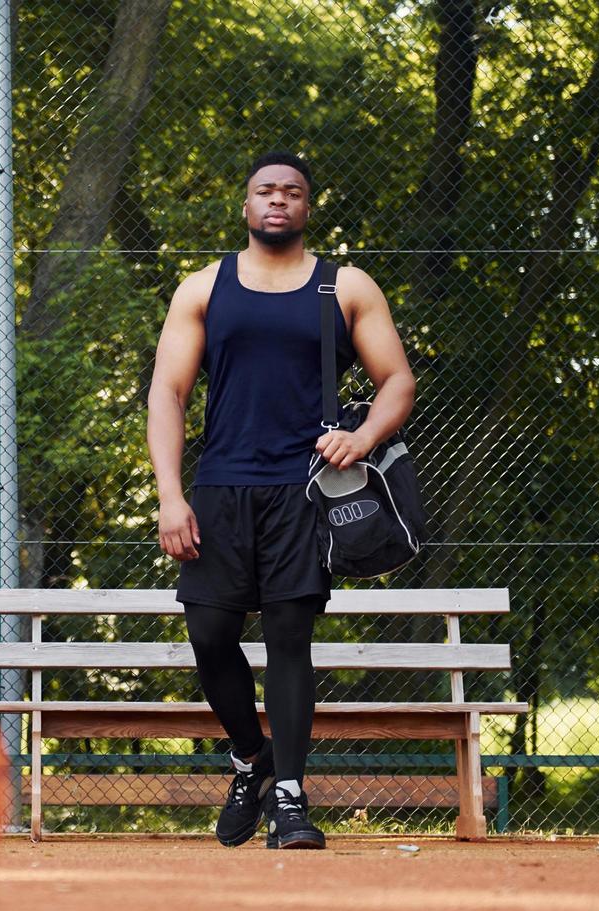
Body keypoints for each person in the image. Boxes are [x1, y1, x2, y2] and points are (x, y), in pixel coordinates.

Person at [145, 151, 415, 849]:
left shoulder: (344, 286)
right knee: (208, 635)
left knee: (289, 640)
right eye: (264, 191)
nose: (277, 201)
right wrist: (170, 496)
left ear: (306, 207)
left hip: (304, 491)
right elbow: (167, 393)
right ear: (244, 206)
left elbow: (397, 382)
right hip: (219, 487)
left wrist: (360, 438)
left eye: (291, 192)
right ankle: (250, 759)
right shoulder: (203, 288)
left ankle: (290, 801)